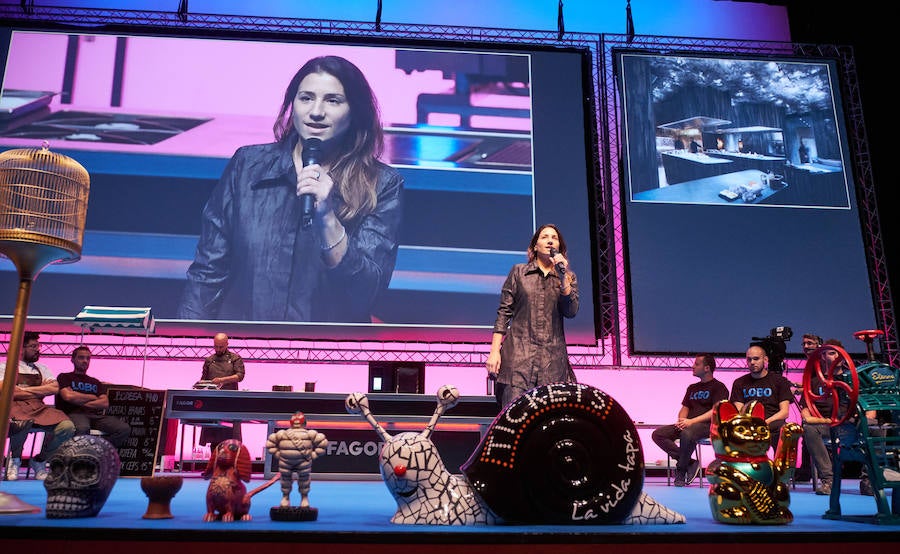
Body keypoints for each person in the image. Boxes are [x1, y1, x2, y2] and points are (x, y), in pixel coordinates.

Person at [178, 55, 404, 323]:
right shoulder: (248, 166)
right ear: (292, 104)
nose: (316, 111)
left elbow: (367, 293)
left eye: (333, 100)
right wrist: (186, 345)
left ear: (355, 111)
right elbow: (207, 273)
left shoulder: (381, 184)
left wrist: (327, 217)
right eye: (306, 98)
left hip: (327, 354)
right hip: (244, 349)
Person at [486, 224, 578, 409]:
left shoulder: (567, 278)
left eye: (554, 237)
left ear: (559, 247)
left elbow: (571, 311)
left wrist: (562, 278)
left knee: (549, 422)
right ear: (535, 246)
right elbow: (504, 312)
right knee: (515, 417)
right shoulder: (519, 272)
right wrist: (494, 352)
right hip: (518, 359)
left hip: (552, 361)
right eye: (544, 237)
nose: (550, 240)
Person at [0, 331, 75, 480]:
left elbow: (54, 388)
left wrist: (23, 390)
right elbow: (7, 390)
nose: (37, 349)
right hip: (16, 407)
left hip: (39, 408)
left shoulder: (43, 368)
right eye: (33, 346)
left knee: (67, 427)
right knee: (22, 422)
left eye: (38, 346)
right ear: (21, 348)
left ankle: (40, 460)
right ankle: (15, 460)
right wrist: (40, 391)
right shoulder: (5, 366)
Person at [651, 353, 729, 486]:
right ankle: (690, 463)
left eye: (696, 364)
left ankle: (681, 471)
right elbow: (684, 408)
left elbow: (715, 411)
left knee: (687, 433)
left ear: (707, 368)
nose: (692, 366)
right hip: (688, 424)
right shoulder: (692, 388)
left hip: (707, 426)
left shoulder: (719, 387)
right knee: (658, 434)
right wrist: (682, 421)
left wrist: (691, 422)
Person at [54, 346, 131, 448]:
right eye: (81, 357)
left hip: (95, 416)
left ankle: (97, 450)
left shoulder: (95, 382)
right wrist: (92, 397)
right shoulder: (64, 377)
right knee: (82, 429)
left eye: (88, 358)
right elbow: (68, 396)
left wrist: (77, 398)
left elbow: (104, 403)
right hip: (73, 413)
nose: (85, 361)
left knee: (123, 429)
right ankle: (80, 459)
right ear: (72, 359)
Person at [730, 344, 794, 451]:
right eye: (749, 359)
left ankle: (780, 467)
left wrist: (765, 423)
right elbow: (738, 411)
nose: (752, 362)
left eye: (756, 359)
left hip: (773, 423)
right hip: (748, 424)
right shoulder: (739, 383)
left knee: (784, 431)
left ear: (765, 359)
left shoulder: (779, 381)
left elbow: (785, 412)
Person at [197, 332, 245, 450]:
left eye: (221, 347)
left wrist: (222, 380)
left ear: (227, 344)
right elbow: (203, 379)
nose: (218, 349)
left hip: (230, 402)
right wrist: (200, 384)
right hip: (213, 403)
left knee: (230, 438)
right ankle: (213, 463)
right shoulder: (209, 360)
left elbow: (240, 376)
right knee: (213, 437)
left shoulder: (235, 359)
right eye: (216, 346)